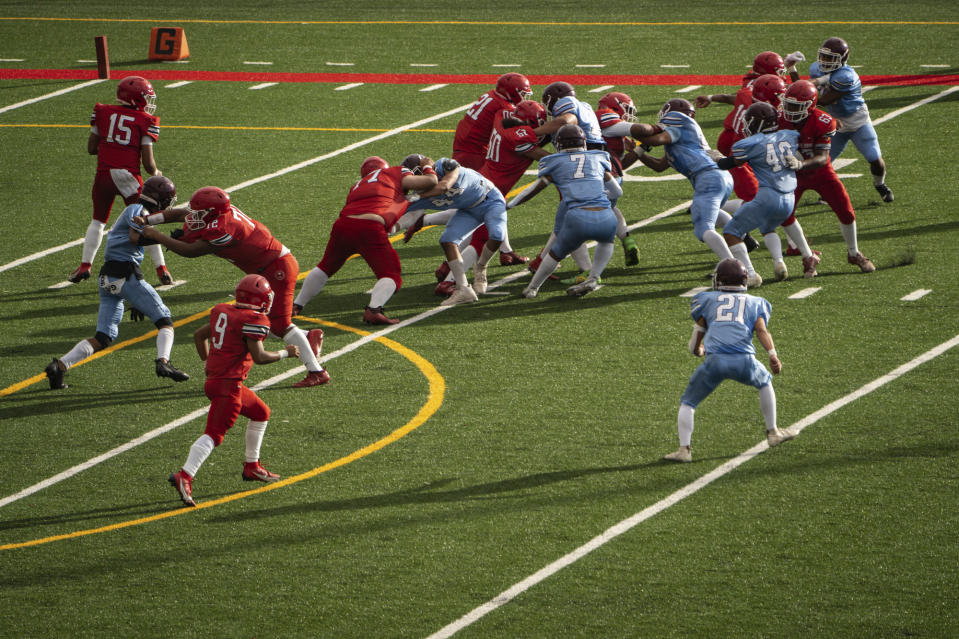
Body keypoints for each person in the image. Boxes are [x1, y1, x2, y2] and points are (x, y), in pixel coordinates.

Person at [137, 187, 328, 388]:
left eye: (198, 212)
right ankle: (307, 336)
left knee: (279, 324)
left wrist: (156, 235)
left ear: (212, 212)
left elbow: (190, 251)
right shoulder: (217, 213)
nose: (193, 215)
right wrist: (149, 220)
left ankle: (317, 372)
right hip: (265, 267)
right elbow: (182, 214)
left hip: (276, 267)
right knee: (262, 324)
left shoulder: (223, 229)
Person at [44, 176, 189, 389]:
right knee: (164, 320)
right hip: (125, 274)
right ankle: (163, 362)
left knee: (103, 337)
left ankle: (60, 366)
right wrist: (167, 239)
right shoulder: (139, 211)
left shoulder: (135, 209)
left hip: (108, 278)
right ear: (161, 199)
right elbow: (134, 238)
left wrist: (135, 298)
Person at [169, 274, 299, 507]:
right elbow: (259, 357)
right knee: (214, 434)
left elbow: (199, 336)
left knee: (261, 413)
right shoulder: (254, 319)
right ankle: (185, 475)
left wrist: (209, 363)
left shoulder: (223, 311)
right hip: (228, 385)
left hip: (218, 381)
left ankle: (252, 466)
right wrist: (285, 353)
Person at [663, 258, 798, 463]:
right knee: (764, 382)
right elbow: (761, 330)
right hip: (744, 360)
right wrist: (772, 355)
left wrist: (698, 349)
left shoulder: (707, 299)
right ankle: (773, 432)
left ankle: (684, 450)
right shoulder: (755, 302)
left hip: (715, 361)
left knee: (688, 403)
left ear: (721, 280)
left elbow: (698, 331)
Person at [415, 101, 552, 297]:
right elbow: (546, 156)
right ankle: (449, 282)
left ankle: (446, 266)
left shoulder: (502, 116)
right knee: (481, 239)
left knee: (468, 227)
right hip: (490, 193)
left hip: (482, 179)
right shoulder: (518, 138)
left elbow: (528, 137)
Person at [291, 155, 441, 325]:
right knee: (391, 274)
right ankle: (374, 310)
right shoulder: (397, 172)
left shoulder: (357, 185)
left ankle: (297, 305)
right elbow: (430, 182)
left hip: (343, 224)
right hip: (370, 226)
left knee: (326, 266)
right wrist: (428, 167)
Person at [71, 75, 173, 286]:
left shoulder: (102, 112)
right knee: (147, 219)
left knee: (98, 220)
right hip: (128, 176)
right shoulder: (145, 121)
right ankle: (161, 269)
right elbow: (147, 163)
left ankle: (85, 265)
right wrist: (156, 173)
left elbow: (91, 149)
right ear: (137, 99)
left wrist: (112, 146)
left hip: (103, 175)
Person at [507, 124, 620, 298]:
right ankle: (594, 277)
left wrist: (510, 204)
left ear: (559, 144)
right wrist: (599, 194)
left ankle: (532, 288)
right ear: (583, 142)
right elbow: (617, 192)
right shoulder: (599, 157)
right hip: (606, 216)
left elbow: (534, 189)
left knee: (556, 253)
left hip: (578, 216)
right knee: (606, 242)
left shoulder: (553, 162)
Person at [779, 80, 875, 274]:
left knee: (845, 210)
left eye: (796, 106)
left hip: (819, 172)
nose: (790, 110)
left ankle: (854, 252)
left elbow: (822, 158)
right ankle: (808, 256)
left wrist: (801, 164)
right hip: (791, 175)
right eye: (788, 104)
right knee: (784, 214)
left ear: (810, 106)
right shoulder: (779, 118)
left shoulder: (822, 121)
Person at [714, 102, 815, 285]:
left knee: (731, 232)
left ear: (757, 123)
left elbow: (732, 163)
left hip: (768, 195)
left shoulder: (749, 143)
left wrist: (717, 158)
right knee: (768, 227)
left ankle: (751, 275)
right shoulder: (791, 135)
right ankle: (779, 263)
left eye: (750, 122)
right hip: (789, 199)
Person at [631, 98, 739, 267]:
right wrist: (638, 151)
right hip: (716, 176)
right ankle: (744, 241)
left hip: (708, 177)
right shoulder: (682, 141)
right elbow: (659, 166)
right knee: (712, 213)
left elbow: (657, 139)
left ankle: (731, 266)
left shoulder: (678, 121)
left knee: (704, 227)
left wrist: (631, 133)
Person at [403, 156, 508, 306]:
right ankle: (463, 289)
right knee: (447, 240)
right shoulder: (425, 192)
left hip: (490, 200)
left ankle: (481, 267)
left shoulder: (447, 166)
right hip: (468, 210)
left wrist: (415, 198)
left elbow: (443, 187)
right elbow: (402, 211)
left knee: (497, 235)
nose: (418, 184)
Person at [809, 37, 894, 202]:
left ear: (842, 59)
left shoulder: (847, 76)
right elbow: (809, 91)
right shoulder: (816, 69)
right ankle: (827, 191)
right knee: (824, 163)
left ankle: (880, 184)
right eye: (823, 56)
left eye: (830, 58)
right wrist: (793, 70)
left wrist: (807, 90)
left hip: (857, 122)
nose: (824, 61)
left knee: (875, 159)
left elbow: (824, 100)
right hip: (836, 123)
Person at [595, 91, 642, 266]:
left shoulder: (611, 127)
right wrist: (645, 145)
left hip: (598, 176)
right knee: (612, 209)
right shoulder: (610, 124)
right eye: (627, 109)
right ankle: (628, 241)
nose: (629, 114)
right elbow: (623, 165)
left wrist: (657, 131)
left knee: (571, 221)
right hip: (614, 178)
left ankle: (587, 270)